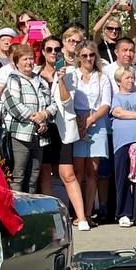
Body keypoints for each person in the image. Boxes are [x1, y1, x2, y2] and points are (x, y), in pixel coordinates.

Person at [37, 34, 90, 228]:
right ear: (43, 52)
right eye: (49, 49)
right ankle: (52, 220)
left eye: (56, 50)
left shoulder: (71, 74)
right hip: (43, 127)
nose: (53, 53)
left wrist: (60, 80)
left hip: (63, 127)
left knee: (67, 173)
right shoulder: (35, 73)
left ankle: (81, 217)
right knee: (45, 172)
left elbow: (67, 101)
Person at [0, 43, 52, 193]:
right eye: (24, 59)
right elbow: (14, 106)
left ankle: (29, 212)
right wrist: (35, 119)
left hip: (39, 135)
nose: (29, 62)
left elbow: (52, 103)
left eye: (31, 58)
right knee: (18, 175)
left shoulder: (41, 81)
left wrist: (44, 116)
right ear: (16, 62)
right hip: (20, 135)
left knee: (33, 176)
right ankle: (15, 211)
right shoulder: (13, 80)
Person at [71, 44, 113, 225]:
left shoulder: (102, 77)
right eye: (85, 55)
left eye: (92, 55)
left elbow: (106, 103)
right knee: (78, 171)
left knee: (93, 172)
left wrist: (91, 119)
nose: (89, 58)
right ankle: (77, 213)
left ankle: (88, 213)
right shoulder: (72, 76)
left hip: (97, 121)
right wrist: (81, 121)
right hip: (77, 121)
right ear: (79, 57)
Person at [109, 66, 136, 228]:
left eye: (132, 77)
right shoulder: (117, 97)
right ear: (119, 81)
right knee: (123, 178)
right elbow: (118, 113)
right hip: (122, 142)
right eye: (127, 78)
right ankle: (123, 213)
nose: (131, 80)